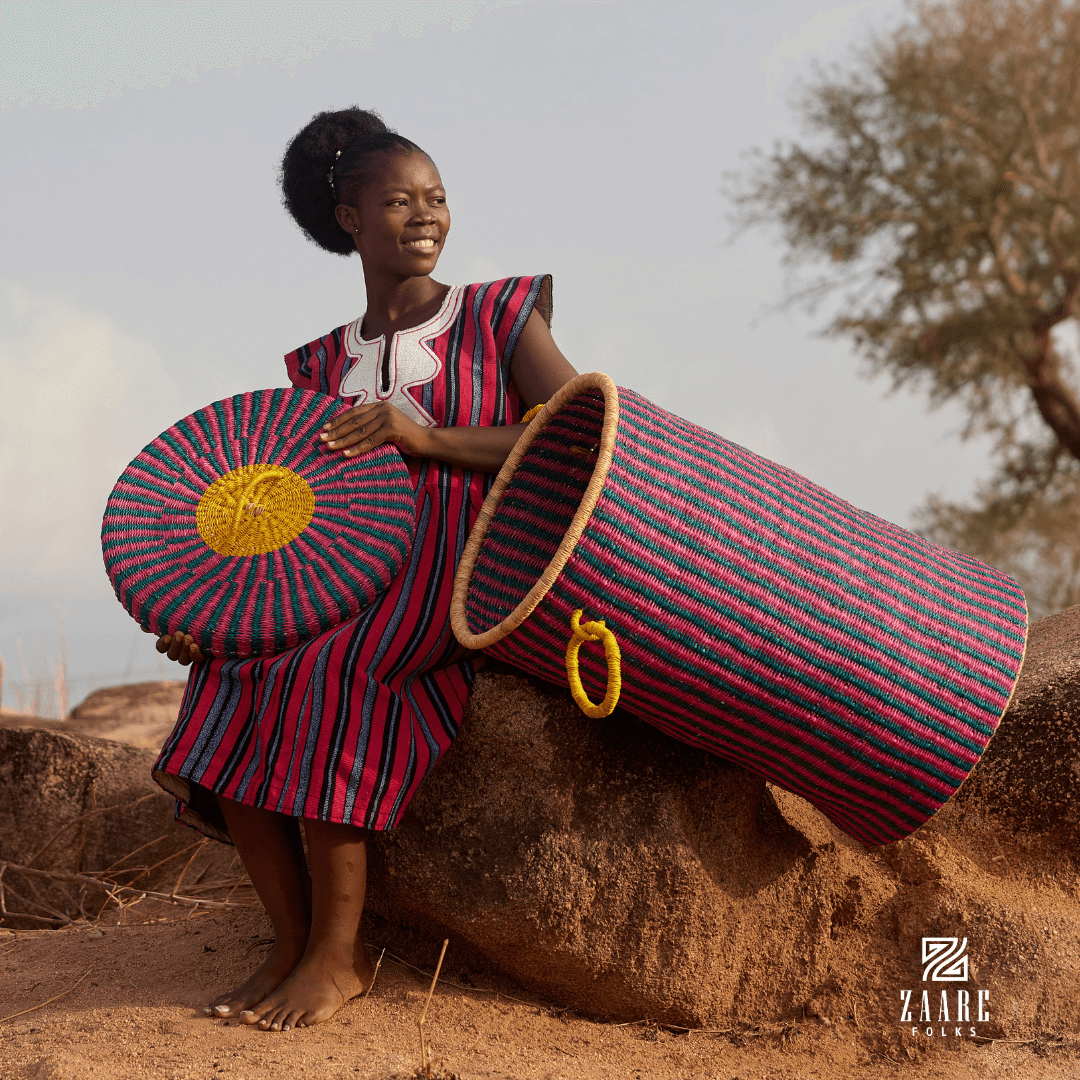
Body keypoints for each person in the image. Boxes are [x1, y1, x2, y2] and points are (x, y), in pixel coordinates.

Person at [149, 107, 576, 1033]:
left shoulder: (501, 316)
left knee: (327, 673)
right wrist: (212, 612)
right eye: (399, 202)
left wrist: (427, 439)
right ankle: (291, 940)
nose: (426, 216)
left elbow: (578, 435)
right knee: (229, 676)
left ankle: (342, 961)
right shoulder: (315, 366)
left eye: (438, 198)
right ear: (350, 220)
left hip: (463, 572)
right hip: (343, 582)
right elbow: (292, 511)